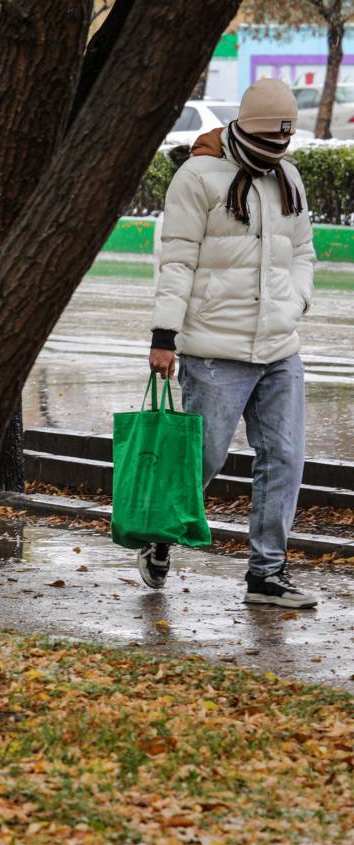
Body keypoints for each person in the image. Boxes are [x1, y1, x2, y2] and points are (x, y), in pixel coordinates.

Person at [141, 78, 317, 608]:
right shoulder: (197, 178)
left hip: (279, 347)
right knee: (204, 461)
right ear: (243, 130)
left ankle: (266, 574)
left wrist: (296, 301)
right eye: (267, 145)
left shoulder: (287, 176)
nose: (274, 155)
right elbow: (176, 260)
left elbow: (304, 251)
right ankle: (161, 537)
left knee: (284, 458)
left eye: (281, 146)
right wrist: (164, 336)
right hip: (216, 351)